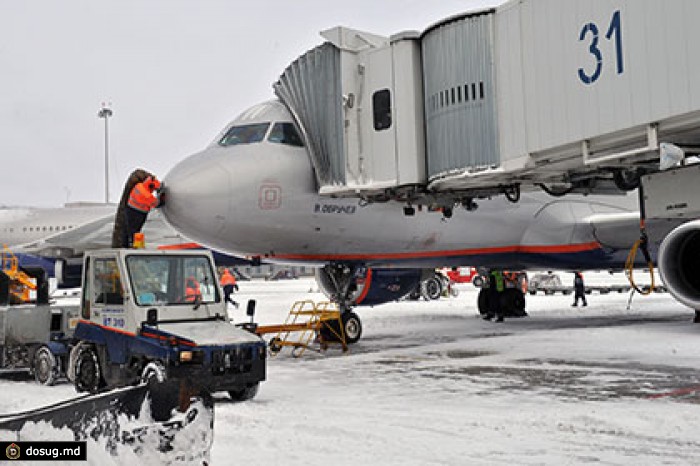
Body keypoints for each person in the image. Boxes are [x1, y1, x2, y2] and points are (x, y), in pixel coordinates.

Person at [123, 175, 161, 248]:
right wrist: (162, 199)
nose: (153, 191)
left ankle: (125, 245)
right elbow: (156, 204)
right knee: (135, 231)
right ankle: (135, 246)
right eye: (154, 189)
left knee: (128, 229)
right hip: (138, 213)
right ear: (151, 185)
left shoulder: (139, 186)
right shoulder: (146, 195)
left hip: (130, 209)